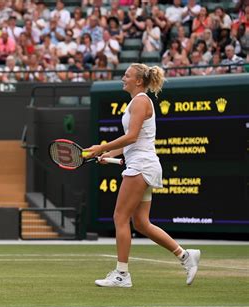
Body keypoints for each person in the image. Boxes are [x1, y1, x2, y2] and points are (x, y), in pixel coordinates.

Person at [83, 63, 200, 288]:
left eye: (126, 75)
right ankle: (186, 256)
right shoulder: (137, 102)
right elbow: (130, 140)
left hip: (141, 166)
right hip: (144, 164)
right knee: (141, 223)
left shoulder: (140, 101)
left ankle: (122, 274)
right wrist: (104, 151)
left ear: (138, 81)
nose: (123, 78)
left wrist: (101, 148)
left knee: (120, 217)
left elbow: (132, 137)